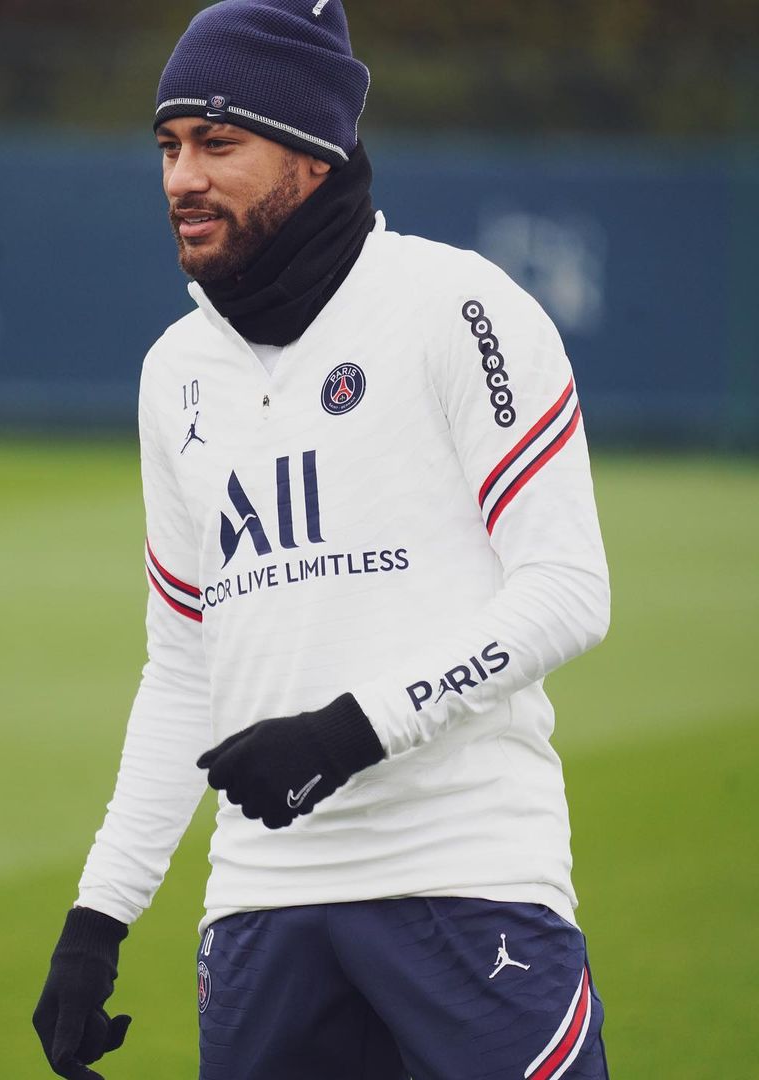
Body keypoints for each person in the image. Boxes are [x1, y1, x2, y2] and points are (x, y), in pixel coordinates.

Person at [33, 1, 612, 1077]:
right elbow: (183, 669)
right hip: (263, 908)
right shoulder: (176, 373)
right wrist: (98, 916)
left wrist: (351, 732)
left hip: (468, 879)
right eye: (168, 146)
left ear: (313, 151)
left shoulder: (459, 308)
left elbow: (569, 589)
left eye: (218, 142)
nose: (181, 178)